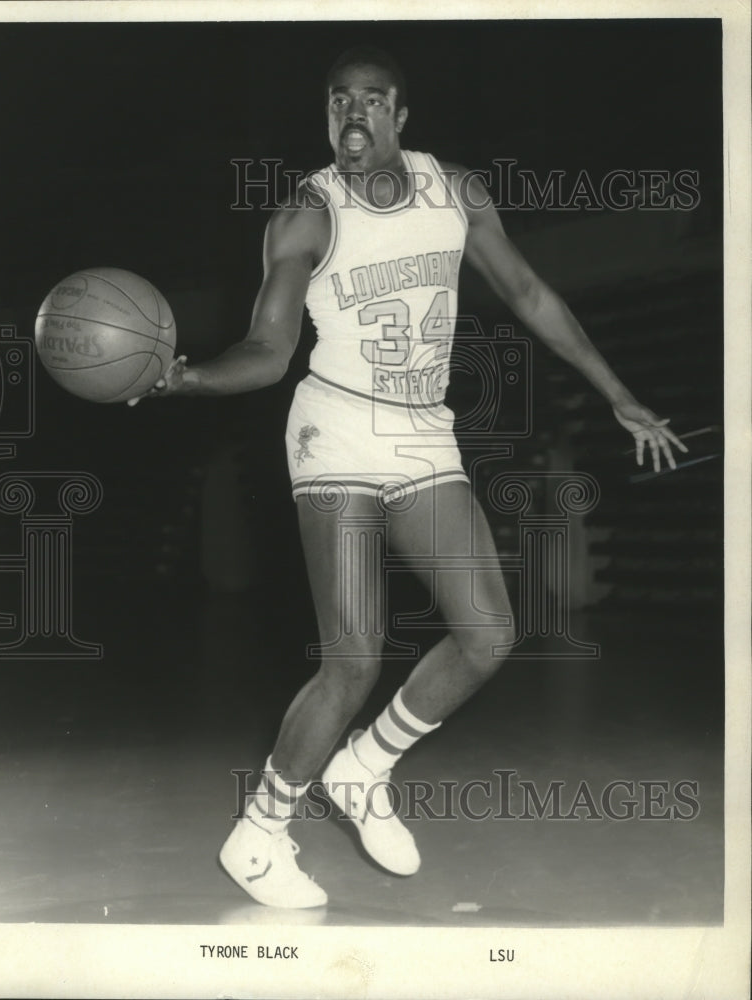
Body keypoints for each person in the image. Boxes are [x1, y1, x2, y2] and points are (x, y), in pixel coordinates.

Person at [130, 45, 686, 908]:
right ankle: (259, 833)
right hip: (337, 425)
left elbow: (532, 294)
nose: (351, 114)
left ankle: (364, 767)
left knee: (488, 634)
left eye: (370, 100)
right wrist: (186, 376)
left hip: (424, 431)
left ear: (400, 116)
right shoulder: (305, 214)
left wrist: (617, 394)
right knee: (352, 657)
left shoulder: (456, 191)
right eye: (336, 101)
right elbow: (270, 352)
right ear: (325, 115)